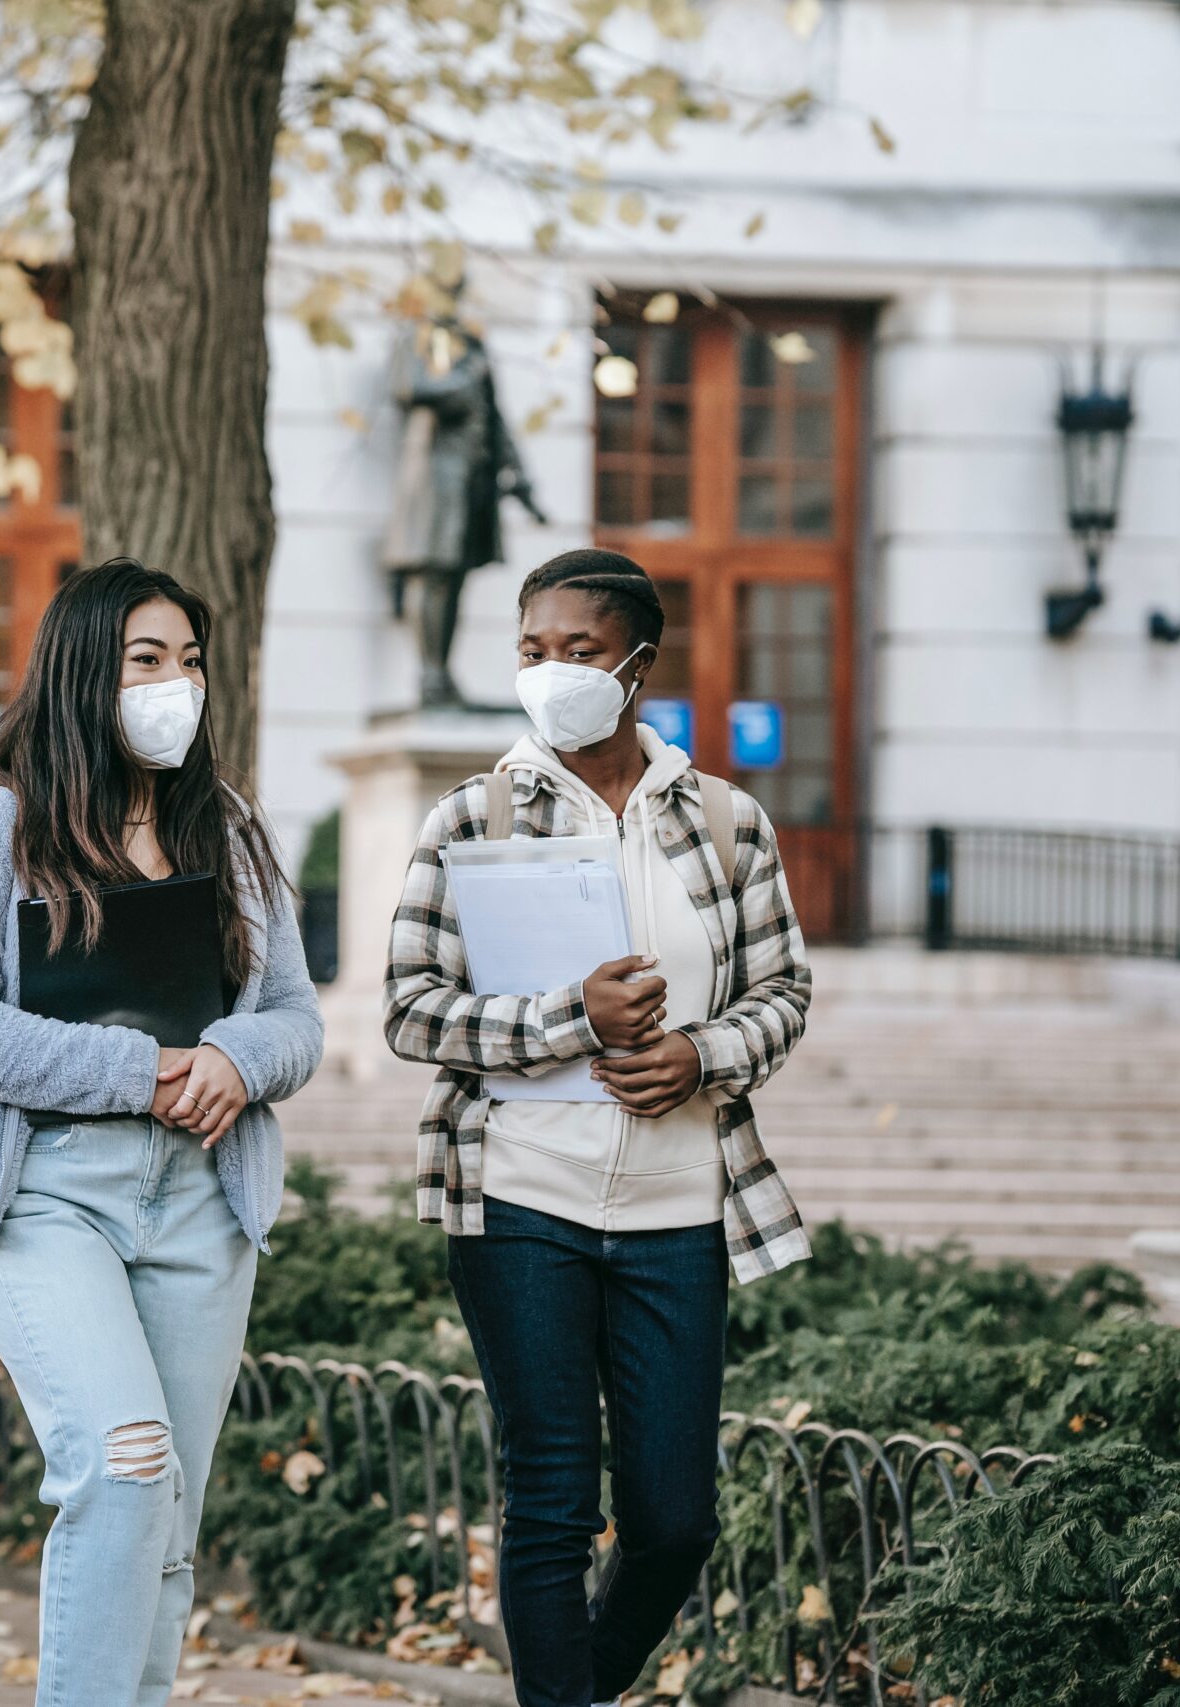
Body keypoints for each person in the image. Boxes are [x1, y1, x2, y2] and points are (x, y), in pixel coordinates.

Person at [381, 548, 814, 1707]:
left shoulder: (726, 822)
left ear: (637, 664)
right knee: (553, 1500)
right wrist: (570, 1019)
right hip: (521, 1199)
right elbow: (411, 1011)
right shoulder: (468, 817)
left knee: (673, 1521)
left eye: (578, 653)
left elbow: (781, 997)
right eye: (532, 652)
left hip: (679, 1209)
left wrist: (697, 1055)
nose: (552, 674)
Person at [0, 556, 326, 1706]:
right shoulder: (4, 824)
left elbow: (294, 1018)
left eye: (188, 662)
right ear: (87, 672)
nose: (173, 685)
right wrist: (138, 1072)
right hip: (45, 1191)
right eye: (147, 660)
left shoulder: (222, 827)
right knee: (126, 1471)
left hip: (200, 1202)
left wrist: (236, 1059)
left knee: (168, 1516)